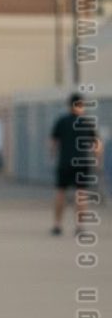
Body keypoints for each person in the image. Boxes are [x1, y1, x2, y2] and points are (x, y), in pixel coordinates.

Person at [50, 93, 103, 236]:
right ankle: (79, 227)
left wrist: (52, 156)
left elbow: (53, 142)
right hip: (82, 162)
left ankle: (57, 225)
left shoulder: (61, 121)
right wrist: (98, 160)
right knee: (81, 194)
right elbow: (97, 143)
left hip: (65, 162)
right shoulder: (87, 122)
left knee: (61, 192)